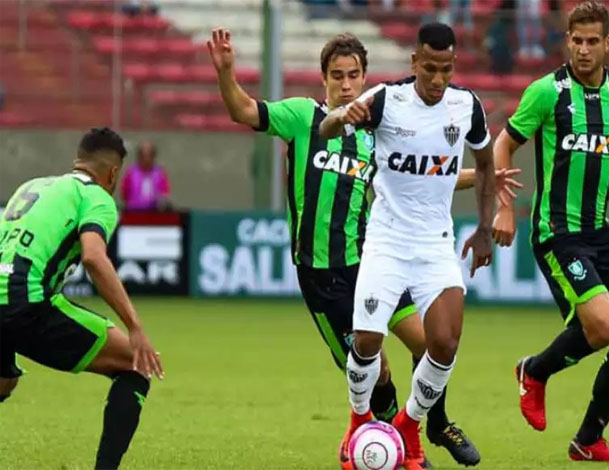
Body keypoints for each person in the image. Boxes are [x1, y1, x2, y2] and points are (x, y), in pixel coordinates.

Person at [208, 29, 519, 468]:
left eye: (354, 75)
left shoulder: (373, 130)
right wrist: (226, 74)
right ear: (324, 79)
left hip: (367, 259)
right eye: (337, 75)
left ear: (364, 77)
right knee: (381, 374)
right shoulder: (302, 117)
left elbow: (425, 171)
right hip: (322, 275)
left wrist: (483, 180)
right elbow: (242, 109)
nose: (346, 84)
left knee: (431, 340)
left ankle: (432, 424)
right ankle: (389, 442)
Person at [320, 23, 505, 470]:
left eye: (445, 69)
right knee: (366, 340)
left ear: (453, 65)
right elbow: (325, 129)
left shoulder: (466, 107)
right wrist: (343, 116)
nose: (437, 80)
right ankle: (358, 421)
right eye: (429, 69)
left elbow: (484, 164)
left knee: (444, 343)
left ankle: (408, 425)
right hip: (385, 241)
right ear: (414, 64)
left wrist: (484, 226)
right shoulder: (386, 100)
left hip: (435, 245)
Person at [491, 0, 609, 462]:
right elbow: (503, 144)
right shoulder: (547, 92)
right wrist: (505, 208)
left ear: (607, 43)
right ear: (566, 41)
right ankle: (533, 371)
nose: (584, 49)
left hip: (601, 234)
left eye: (593, 41)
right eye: (577, 40)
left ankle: (588, 440)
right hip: (557, 233)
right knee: (605, 325)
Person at [0, 127, 164, 469]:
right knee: (135, 364)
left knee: (3, 380)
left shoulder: (32, 186)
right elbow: (93, 257)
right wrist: (134, 325)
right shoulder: (97, 197)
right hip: (24, 300)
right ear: (114, 172)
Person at [120, 141, 171, 211]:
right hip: (134, 212)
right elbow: (124, 193)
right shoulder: (131, 173)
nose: (146, 159)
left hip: (154, 214)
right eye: (144, 156)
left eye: (149, 156)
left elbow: (164, 193)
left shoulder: (159, 173)